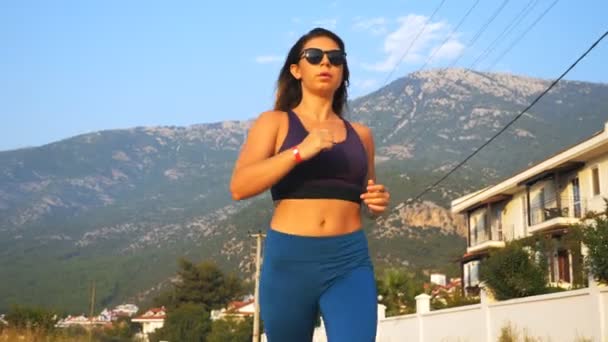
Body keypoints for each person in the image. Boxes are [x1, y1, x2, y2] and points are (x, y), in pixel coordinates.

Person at [230, 27, 391, 342]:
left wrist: (377, 203)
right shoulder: (274, 122)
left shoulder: (362, 135)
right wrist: (299, 151)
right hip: (289, 259)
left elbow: (369, 201)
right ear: (296, 70)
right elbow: (239, 186)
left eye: (336, 58)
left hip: (349, 260)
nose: (325, 64)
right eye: (314, 57)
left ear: (343, 71)